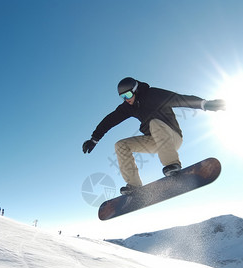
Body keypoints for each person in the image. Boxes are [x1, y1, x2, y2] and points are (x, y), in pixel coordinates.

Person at [82, 77, 225, 195]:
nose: (127, 99)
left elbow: (179, 99)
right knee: (120, 145)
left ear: (136, 90)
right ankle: (134, 185)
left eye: (128, 95)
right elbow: (110, 120)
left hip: (172, 137)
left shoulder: (153, 95)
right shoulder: (128, 107)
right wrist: (94, 139)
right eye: (122, 97)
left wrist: (204, 104)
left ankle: (172, 166)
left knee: (154, 123)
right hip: (154, 141)